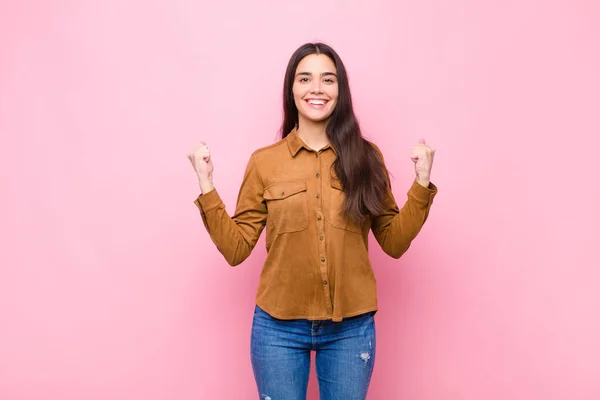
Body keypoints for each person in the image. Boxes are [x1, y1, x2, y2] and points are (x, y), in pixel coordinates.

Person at [187, 42, 437, 400]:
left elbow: (394, 242)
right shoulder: (264, 163)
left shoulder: (366, 157)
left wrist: (422, 183)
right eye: (305, 79)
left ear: (341, 90)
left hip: (351, 328)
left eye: (327, 80)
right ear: (292, 89)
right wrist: (206, 185)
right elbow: (236, 248)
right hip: (278, 328)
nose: (316, 89)